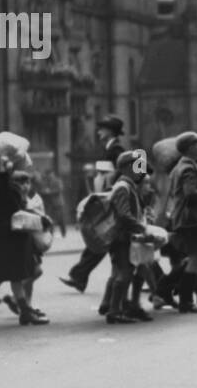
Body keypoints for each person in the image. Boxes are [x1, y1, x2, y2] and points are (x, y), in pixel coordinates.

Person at [61, 115, 125, 293]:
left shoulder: (117, 148)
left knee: (103, 237)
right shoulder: (109, 147)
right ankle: (79, 276)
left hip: (112, 199)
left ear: (110, 131)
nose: (98, 132)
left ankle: (159, 283)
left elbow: (124, 167)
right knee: (101, 237)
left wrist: (112, 182)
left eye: (102, 129)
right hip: (107, 197)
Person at [0, 166, 47, 325]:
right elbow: (16, 213)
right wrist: (39, 220)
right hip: (12, 236)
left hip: (7, 235)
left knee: (9, 274)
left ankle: (24, 309)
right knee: (14, 274)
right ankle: (22, 309)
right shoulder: (6, 186)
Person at [164, 131, 197, 314]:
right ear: (190, 148)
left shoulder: (180, 166)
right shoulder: (188, 168)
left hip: (182, 218)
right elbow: (190, 194)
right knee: (196, 259)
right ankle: (186, 301)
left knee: (194, 258)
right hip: (190, 219)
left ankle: (171, 292)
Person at [103, 151, 150, 324]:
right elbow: (123, 215)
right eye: (138, 165)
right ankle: (114, 311)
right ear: (126, 168)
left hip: (127, 236)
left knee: (132, 271)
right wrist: (140, 227)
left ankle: (126, 307)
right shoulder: (123, 187)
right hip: (121, 237)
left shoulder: (129, 185)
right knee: (124, 274)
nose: (141, 169)